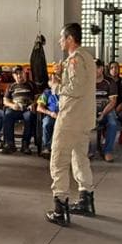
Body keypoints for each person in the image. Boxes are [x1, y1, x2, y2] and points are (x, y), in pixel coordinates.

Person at [46, 23, 97, 225]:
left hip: (70, 119)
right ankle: (86, 199)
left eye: (61, 38)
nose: (60, 41)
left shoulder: (75, 59)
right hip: (83, 119)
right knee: (79, 158)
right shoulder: (87, 58)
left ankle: (60, 207)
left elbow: (74, 88)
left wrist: (56, 86)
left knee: (58, 160)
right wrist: (58, 74)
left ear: (69, 39)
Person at [1, 66, 38, 154]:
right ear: (13, 76)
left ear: (24, 74)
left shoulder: (32, 85)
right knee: (7, 115)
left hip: (27, 108)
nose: (19, 75)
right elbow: (5, 100)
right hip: (15, 108)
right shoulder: (11, 86)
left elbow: (38, 97)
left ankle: (25, 144)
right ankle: (9, 144)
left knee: (29, 117)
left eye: (20, 73)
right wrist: (12, 105)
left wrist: (33, 104)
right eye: (16, 74)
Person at [92, 59, 120, 161]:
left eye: (95, 68)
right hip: (89, 111)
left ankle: (108, 151)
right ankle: (86, 151)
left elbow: (113, 102)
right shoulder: (86, 81)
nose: (93, 71)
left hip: (107, 110)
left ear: (101, 69)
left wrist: (103, 113)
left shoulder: (110, 82)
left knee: (112, 123)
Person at [36, 73, 61, 158]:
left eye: (56, 79)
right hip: (51, 114)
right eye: (51, 79)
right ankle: (46, 147)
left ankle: (55, 147)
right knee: (47, 123)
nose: (54, 81)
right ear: (49, 83)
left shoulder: (64, 93)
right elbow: (39, 108)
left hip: (64, 116)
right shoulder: (47, 93)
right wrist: (51, 113)